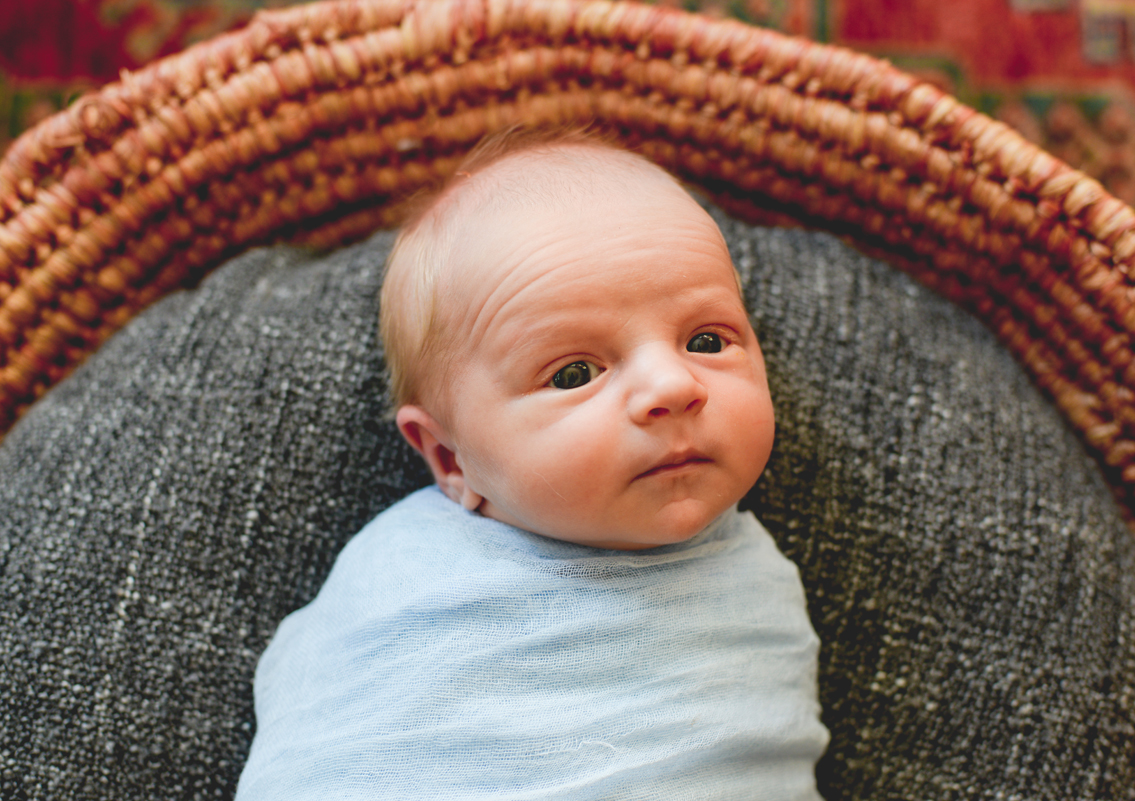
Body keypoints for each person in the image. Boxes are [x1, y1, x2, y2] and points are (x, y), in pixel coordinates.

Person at [235, 130, 829, 800]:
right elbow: (328, 756)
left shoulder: (756, 579)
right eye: (574, 372)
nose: (672, 385)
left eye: (706, 339)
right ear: (449, 457)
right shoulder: (406, 584)